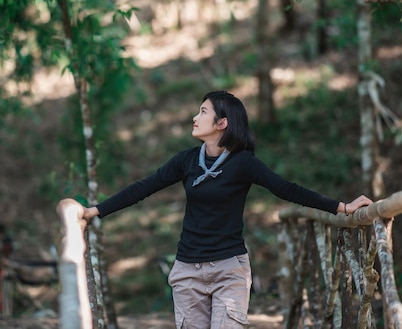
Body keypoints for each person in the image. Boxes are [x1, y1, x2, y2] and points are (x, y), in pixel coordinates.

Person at [81, 91, 373, 329]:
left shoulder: (243, 163)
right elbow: (142, 188)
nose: (195, 118)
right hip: (187, 272)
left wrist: (343, 207)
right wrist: (96, 211)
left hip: (229, 269)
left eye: (203, 112)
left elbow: (287, 189)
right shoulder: (186, 161)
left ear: (222, 123)